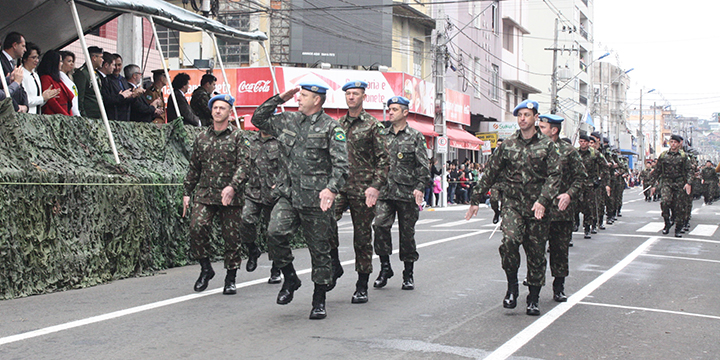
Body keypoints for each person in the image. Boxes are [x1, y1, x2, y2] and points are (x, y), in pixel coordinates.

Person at [251, 83, 349, 320]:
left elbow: (342, 165)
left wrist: (331, 189)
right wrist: (279, 98)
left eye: (303, 96)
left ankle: (319, 299)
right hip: (288, 194)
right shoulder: (288, 121)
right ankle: (290, 277)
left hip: (316, 199)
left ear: (317, 100)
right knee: (274, 233)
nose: (298, 99)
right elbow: (258, 119)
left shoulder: (331, 128)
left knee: (320, 249)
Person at [465, 99, 561, 316]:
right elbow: (490, 173)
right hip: (513, 205)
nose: (523, 119)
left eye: (527, 115)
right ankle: (512, 287)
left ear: (536, 118)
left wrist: (544, 200)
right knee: (509, 243)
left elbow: (555, 176)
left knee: (536, 253)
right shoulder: (508, 145)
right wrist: (475, 199)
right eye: (519, 115)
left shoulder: (547, 145)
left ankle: (534, 297)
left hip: (538, 207)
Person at [327, 80, 389, 304]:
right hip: (340, 187)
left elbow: (384, 160)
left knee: (362, 239)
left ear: (364, 97)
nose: (351, 97)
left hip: (363, 190)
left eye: (355, 94)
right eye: (348, 94)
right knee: (325, 221)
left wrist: (375, 186)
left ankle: (362, 284)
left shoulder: (373, 125)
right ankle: (334, 264)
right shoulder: (338, 125)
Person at [183, 94, 250, 295]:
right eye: (215, 108)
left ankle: (231, 277)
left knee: (231, 238)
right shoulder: (202, 137)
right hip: (205, 193)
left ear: (230, 112)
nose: (218, 111)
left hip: (230, 196)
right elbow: (194, 167)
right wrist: (187, 192)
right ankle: (206, 268)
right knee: (196, 228)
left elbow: (244, 166)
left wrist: (232, 187)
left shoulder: (239, 137)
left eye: (222, 108)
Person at [372, 96, 429, 292]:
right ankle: (385, 267)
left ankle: (408, 273)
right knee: (379, 226)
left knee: (407, 235)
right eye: (389, 109)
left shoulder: (415, 136)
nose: (390, 112)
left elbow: (423, 166)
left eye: (395, 109)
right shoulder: (382, 136)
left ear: (405, 112)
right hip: (385, 192)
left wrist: (420, 187)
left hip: (407, 193)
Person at [537, 114, 587, 302]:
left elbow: (581, 177)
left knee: (559, 251)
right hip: (538, 209)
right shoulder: (533, 149)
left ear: (554, 130)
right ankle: (535, 288)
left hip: (561, 211)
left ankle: (559, 286)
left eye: (542, 127)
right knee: (536, 250)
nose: (538, 130)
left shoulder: (568, 151)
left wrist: (569, 194)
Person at [234, 129, 282, 284]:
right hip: (253, 191)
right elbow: (243, 165)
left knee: (273, 232)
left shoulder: (281, 141)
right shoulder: (251, 142)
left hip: (273, 193)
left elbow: (289, 165)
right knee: (244, 220)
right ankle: (252, 249)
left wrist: (281, 183)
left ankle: (276, 268)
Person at [649, 134, 693, 237]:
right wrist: (653, 185)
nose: (673, 144)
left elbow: (689, 170)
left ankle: (678, 229)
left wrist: (688, 183)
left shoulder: (683, 156)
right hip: (667, 182)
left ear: (678, 144)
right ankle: (667, 222)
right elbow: (657, 171)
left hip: (679, 183)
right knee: (665, 202)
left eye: (675, 142)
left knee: (679, 207)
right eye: (671, 142)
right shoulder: (664, 155)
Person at [21, 42, 59, 114]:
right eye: (33, 57)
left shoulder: (35, 75)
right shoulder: (21, 73)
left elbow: (39, 103)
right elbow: (24, 100)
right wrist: (42, 98)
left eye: (37, 57)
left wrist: (46, 97)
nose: (37, 60)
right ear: (25, 59)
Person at [37, 50, 74, 116]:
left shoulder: (57, 79)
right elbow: (51, 101)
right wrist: (65, 115)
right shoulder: (45, 78)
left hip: (64, 114)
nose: (61, 63)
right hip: (54, 116)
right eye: (60, 61)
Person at [101, 53, 135, 121]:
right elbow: (108, 100)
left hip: (125, 117)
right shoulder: (107, 80)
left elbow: (127, 100)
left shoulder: (124, 80)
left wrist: (134, 95)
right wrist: (121, 96)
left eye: (119, 65)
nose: (116, 68)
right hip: (113, 117)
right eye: (114, 65)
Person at [2, 31, 29, 112]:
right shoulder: (1, 61)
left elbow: (20, 87)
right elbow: (3, 90)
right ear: (14, 45)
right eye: (23, 46)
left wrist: (25, 106)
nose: (25, 50)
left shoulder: (14, 63)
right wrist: (16, 107)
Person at [74, 46, 104, 118]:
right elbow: (80, 97)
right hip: (88, 115)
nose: (102, 60)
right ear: (94, 58)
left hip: (97, 114)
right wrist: (84, 116)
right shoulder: (82, 73)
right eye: (101, 57)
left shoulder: (95, 73)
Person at [59, 51, 81, 116]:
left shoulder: (69, 78)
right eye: (69, 61)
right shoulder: (60, 77)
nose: (72, 64)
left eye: (72, 61)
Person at [489, 138, 504, 224]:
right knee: (493, 199)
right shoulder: (493, 157)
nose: (499, 147)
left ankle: (504, 222)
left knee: (505, 204)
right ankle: (496, 212)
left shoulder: (508, 156)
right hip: (496, 182)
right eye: (498, 145)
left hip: (506, 182)